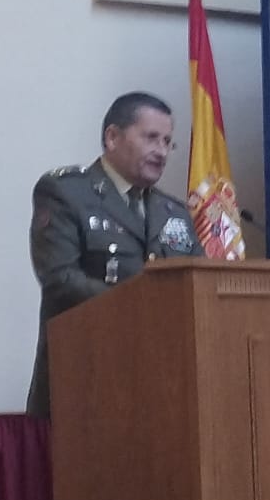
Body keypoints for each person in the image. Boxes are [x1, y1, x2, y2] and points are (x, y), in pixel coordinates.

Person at [26, 93, 200, 417]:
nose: (162, 151)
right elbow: (60, 279)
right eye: (151, 138)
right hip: (86, 380)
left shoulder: (173, 211)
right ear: (112, 137)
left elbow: (198, 285)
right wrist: (140, 307)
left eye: (167, 142)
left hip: (163, 386)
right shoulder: (66, 193)